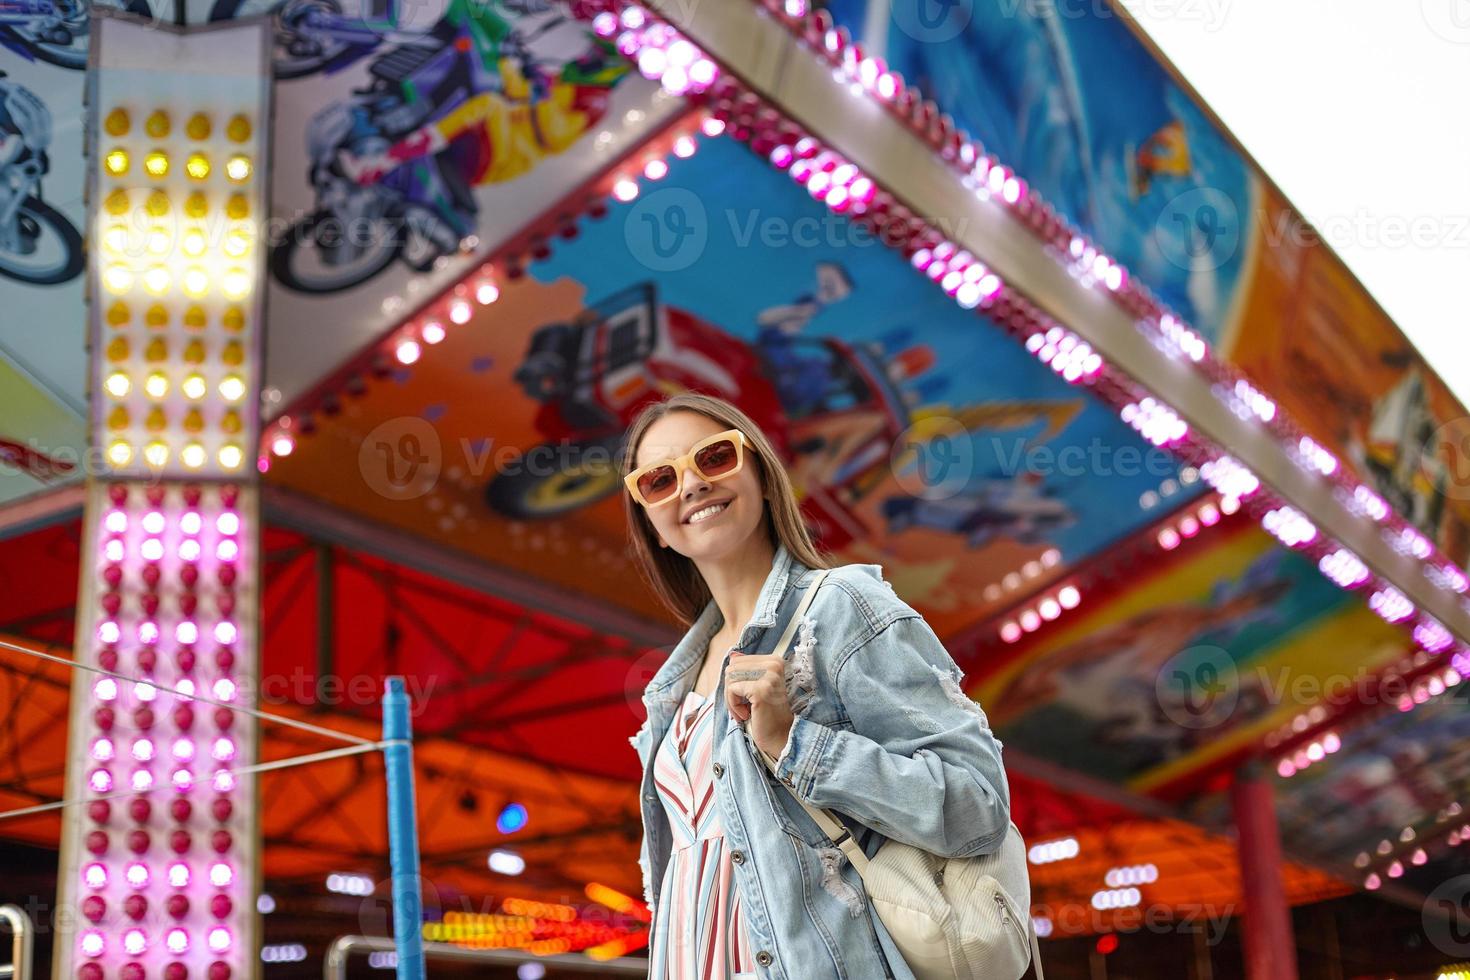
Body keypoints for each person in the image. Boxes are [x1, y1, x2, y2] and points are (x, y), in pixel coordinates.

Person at [621, 392, 1010, 980]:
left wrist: (792, 746)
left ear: (763, 477)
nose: (692, 485)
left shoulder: (844, 608)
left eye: (714, 457)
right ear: (653, 527)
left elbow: (977, 806)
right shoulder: (667, 692)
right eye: (658, 480)